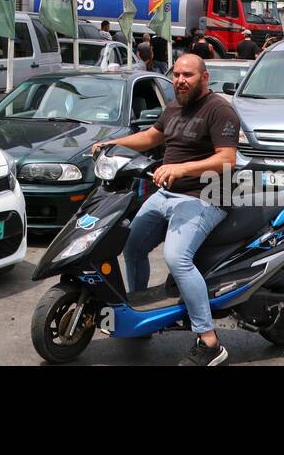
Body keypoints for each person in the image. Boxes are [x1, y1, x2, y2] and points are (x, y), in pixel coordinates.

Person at [91, 54, 239, 366]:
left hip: (204, 196)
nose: (181, 80)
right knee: (131, 248)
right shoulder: (175, 106)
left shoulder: (219, 109)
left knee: (177, 258)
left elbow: (227, 159)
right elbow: (152, 137)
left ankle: (209, 340)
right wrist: (113, 144)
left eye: (188, 75)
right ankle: (140, 318)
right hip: (167, 193)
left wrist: (181, 169)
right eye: (177, 75)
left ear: (204, 78)